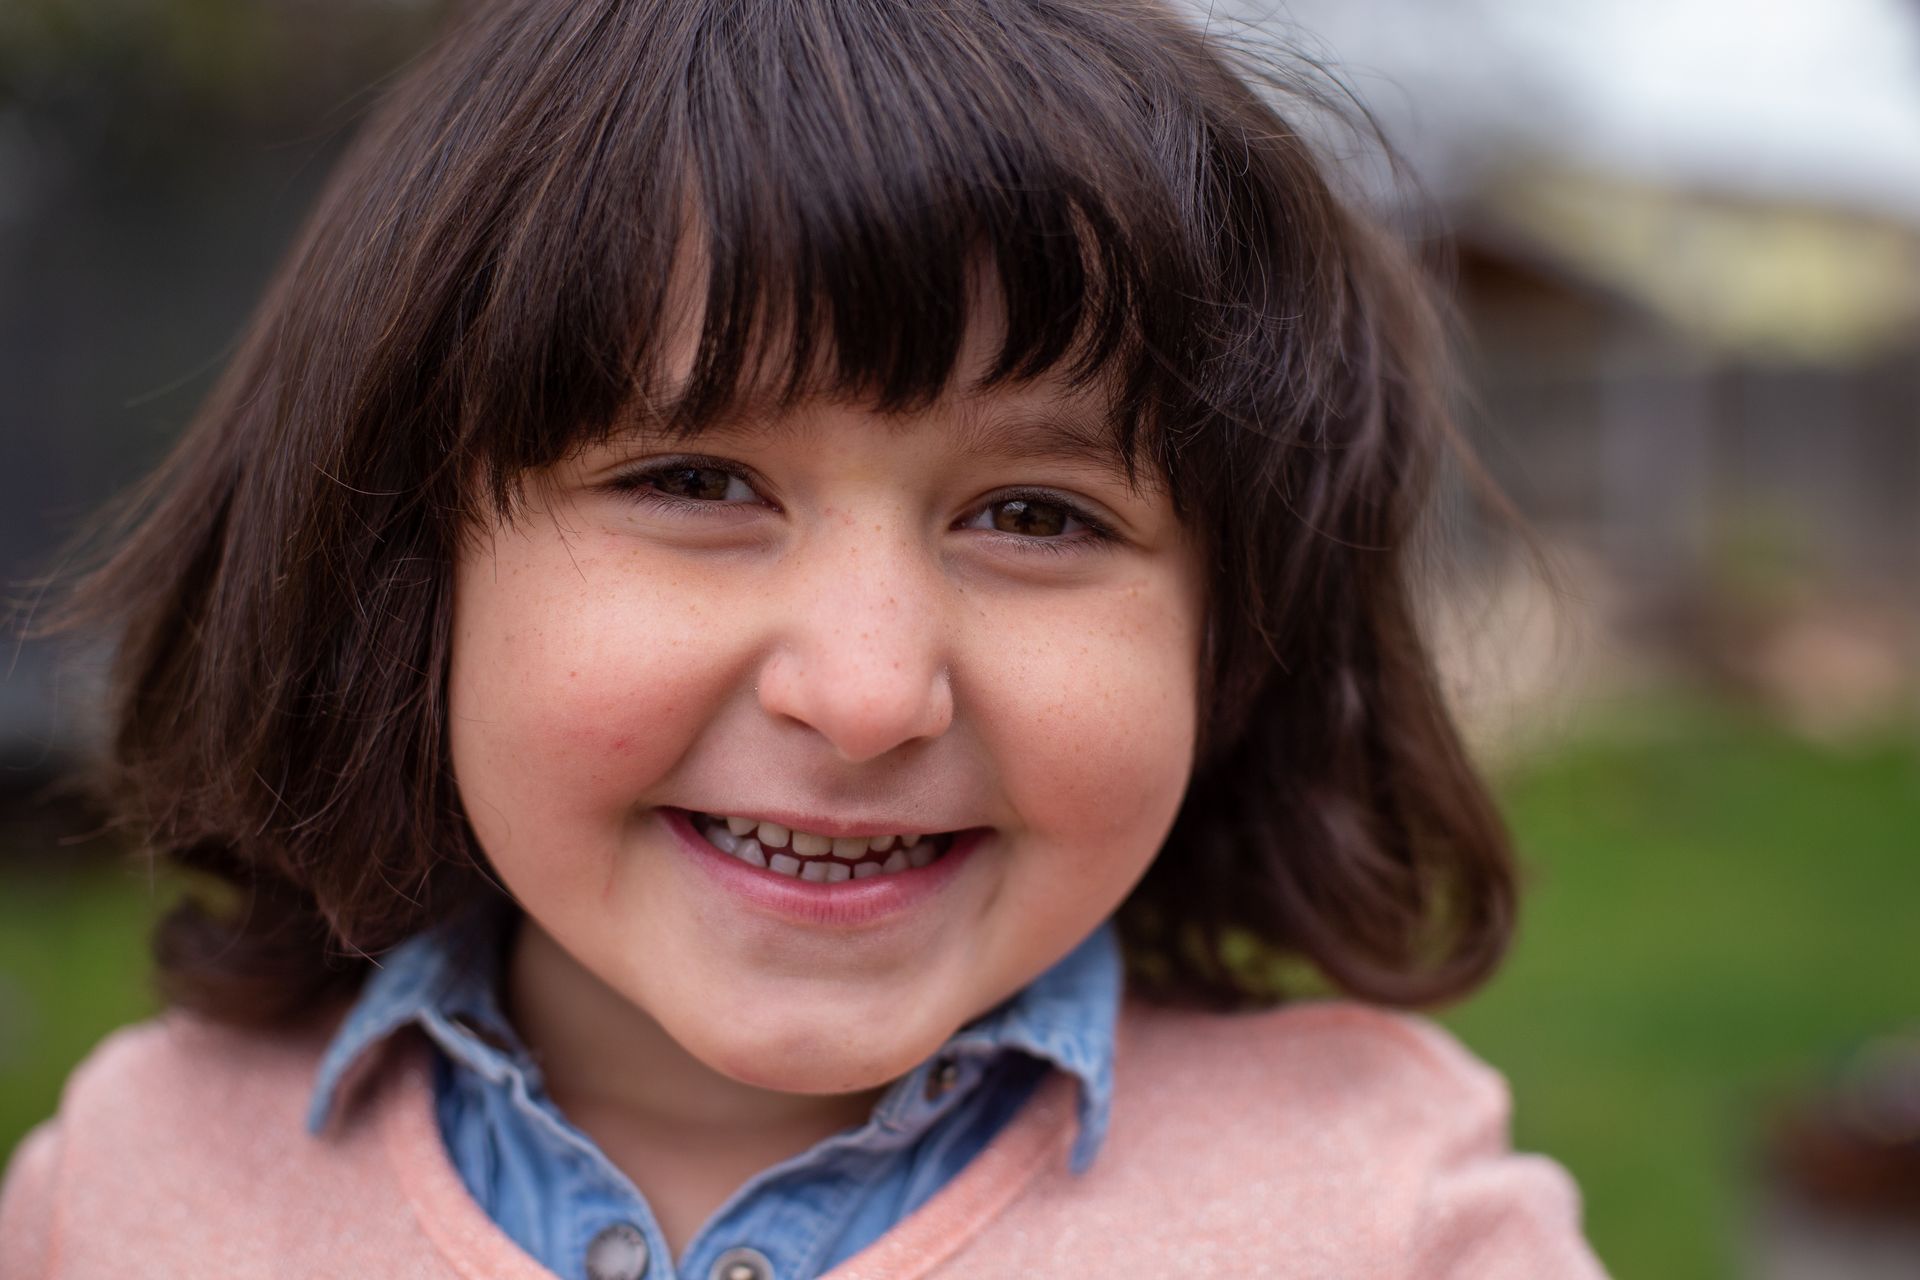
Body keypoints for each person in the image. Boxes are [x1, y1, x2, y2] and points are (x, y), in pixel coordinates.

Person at [0, 1, 1608, 1276]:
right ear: (402, 568)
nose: (865, 694)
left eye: (1035, 514)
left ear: (1237, 632)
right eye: (696, 483)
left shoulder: (1387, 1219)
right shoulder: (130, 1195)